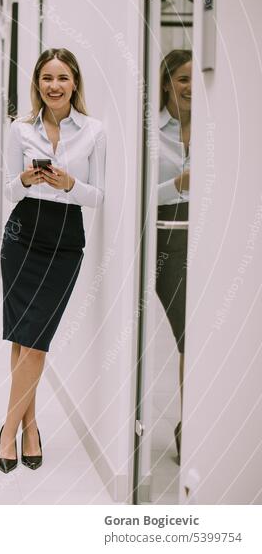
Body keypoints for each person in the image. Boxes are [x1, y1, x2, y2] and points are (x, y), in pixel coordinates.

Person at [0, 48, 106, 473]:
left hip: (64, 238)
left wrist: (69, 183)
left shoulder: (94, 131)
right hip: (22, 235)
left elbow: (99, 195)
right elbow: (8, 189)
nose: (54, 86)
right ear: (37, 84)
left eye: (62, 78)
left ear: (74, 82)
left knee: (36, 339)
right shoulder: (20, 129)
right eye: (46, 78)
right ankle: (29, 427)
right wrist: (25, 178)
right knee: (23, 337)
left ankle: (9, 429)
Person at [156, 49, 191, 464]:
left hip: (211, 236)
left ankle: (191, 421)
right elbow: (141, 191)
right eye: (183, 79)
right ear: (167, 82)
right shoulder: (152, 130)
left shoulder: (214, 126)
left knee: (200, 339)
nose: (191, 87)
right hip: (167, 239)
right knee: (189, 333)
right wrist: (178, 184)